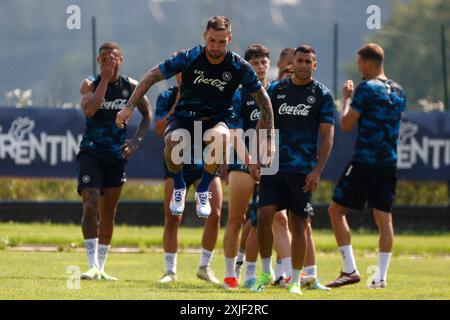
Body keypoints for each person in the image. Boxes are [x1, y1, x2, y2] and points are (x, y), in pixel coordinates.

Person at [115, 16, 275, 223]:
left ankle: (203, 189)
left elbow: (265, 102)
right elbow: (152, 76)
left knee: (222, 138)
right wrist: (128, 107)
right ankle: (179, 186)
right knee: (174, 141)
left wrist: (270, 139)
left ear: (229, 39)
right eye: (212, 41)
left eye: (222, 42)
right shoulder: (189, 57)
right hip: (185, 118)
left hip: (216, 120)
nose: (216, 47)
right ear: (204, 36)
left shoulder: (238, 66)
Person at [250, 45, 335, 295]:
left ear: (315, 65)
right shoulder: (275, 90)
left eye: (309, 61)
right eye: (300, 60)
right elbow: (261, 123)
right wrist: (255, 158)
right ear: (292, 64)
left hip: (302, 169)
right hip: (273, 165)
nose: (304, 65)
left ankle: (296, 280)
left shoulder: (322, 95)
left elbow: (328, 136)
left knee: (299, 223)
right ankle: (265, 273)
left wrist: (318, 170)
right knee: (264, 216)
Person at [326, 43, 406, 289]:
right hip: (389, 162)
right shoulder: (399, 91)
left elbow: (347, 124)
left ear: (369, 63)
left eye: (360, 63)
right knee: (384, 217)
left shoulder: (366, 89)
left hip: (365, 161)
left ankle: (349, 269)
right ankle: (380, 278)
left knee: (335, 211)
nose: (358, 67)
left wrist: (346, 99)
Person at [78, 42, 152, 280]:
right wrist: (105, 80)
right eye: (104, 59)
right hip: (91, 152)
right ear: (98, 61)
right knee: (90, 204)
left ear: (121, 60)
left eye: (113, 58)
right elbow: (89, 110)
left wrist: (136, 141)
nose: (109, 62)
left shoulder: (131, 86)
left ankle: (101, 266)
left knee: (108, 212)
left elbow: (147, 114)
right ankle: (91, 264)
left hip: (116, 156)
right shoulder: (90, 83)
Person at [155, 72, 221, 284]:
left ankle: (204, 266)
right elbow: (159, 129)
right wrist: (179, 100)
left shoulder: (209, 95)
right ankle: (170, 271)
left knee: (216, 214)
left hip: (205, 163)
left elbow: (220, 125)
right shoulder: (166, 96)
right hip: (177, 164)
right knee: (173, 216)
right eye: (180, 72)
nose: (184, 75)